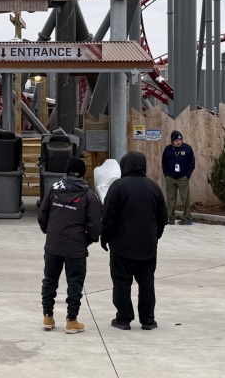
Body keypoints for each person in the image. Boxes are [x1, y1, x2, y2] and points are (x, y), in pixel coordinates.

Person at [101, 152, 167, 330]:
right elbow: (163, 218)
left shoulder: (118, 187)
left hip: (122, 246)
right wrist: (155, 237)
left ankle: (123, 318)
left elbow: (108, 216)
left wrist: (105, 237)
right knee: (146, 283)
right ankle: (148, 319)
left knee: (122, 282)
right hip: (148, 247)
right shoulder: (154, 187)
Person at [38, 157, 102, 334]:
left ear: (66, 171)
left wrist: (51, 233)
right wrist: (88, 239)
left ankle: (48, 316)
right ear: (83, 173)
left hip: (53, 244)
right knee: (75, 282)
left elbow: (42, 215)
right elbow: (95, 225)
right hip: (76, 246)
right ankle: (71, 320)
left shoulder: (53, 189)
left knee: (49, 280)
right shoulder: (89, 195)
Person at [161, 130, 196, 225]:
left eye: (180, 139)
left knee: (185, 198)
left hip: (183, 177)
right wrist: (166, 175)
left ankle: (187, 218)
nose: (178, 142)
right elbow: (163, 162)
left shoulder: (187, 148)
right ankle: (170, 218)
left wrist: (187, 174)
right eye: (176, 140)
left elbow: (192, 162)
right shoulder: (167, 149)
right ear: (172, 141)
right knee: (171, 198)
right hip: (170, 177)